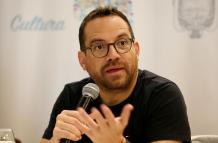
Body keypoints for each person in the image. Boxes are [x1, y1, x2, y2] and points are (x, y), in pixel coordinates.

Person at [40, 6, 191, 143]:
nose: (113, 55)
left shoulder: (163, 94)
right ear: (83, 60)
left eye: (122, 43)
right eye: (99, 46)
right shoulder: (72, 96)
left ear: (136, 50)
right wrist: (54, 141)